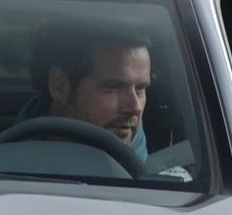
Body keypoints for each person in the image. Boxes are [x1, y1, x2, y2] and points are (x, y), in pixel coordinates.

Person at [25, 26, 152, 156]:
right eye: (114, 87)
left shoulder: (133, 140)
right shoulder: (15, 156)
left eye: (140, 88)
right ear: (59, 85)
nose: (135, 108)